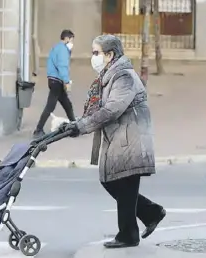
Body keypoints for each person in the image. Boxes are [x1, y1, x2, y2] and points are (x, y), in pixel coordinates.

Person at [60, 34, 166, 249]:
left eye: (96, 53)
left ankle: (129, 234)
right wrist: (76, 124)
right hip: (121, 137)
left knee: (122, 184)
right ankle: (150, 213)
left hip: (132, 138)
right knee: (112, 181)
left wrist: (80, 127)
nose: (94, 57)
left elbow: (111, 110)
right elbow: (98, 110)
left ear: (110, 55)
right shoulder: (109, 76)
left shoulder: (123, 77)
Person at [33, 29, 76, 138]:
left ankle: (74, 127)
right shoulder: (62, 50)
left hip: (54, 80)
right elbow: (62, 66)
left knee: (67, 104)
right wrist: (66, 81)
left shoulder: (57, 48)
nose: (72, 43)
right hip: (57, 81)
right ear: (66, 38)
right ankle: (38, 130)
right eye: (71, 40)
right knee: (50, 106)